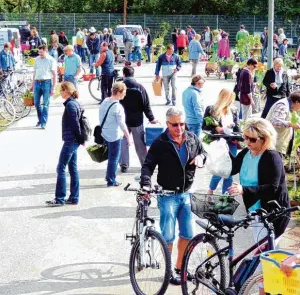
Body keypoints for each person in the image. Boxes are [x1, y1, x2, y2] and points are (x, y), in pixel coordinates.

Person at [142, 108, 206, 284]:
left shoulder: (191, 138)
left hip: (186, 194)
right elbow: (147, 166)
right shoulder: (160, 142)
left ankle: (180, 268)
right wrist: (146, 184)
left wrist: (201, 157)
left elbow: (203, 152)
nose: (179, 128)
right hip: (168, 195)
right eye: (175, 124)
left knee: (187, 233)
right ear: (167, 123)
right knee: (168, 236)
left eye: (182, 123)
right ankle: (169, 270)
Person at [227, 118, 290, 242]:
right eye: (245, 137)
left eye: (252, 139)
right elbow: (231, 168)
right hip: (255, 210)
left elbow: (272, 188)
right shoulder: (247, 152)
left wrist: (243, 189)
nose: (247, 142)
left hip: (273, 212)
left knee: (266, 253)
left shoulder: (272, 157)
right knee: (259, 248)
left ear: (265, 139)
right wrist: (220, 152)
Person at [46, 82, 84, 207]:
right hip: (74, 140)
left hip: (71, 140)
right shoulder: (73, 103)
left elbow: (75, 124)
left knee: (61, 167)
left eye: (61, 91)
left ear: (67, 91)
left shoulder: (71, 105)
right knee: (72, 168)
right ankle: (74, 197)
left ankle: (60, 198)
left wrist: (80, 138)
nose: (60, 93)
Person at [119, 66, 157, 172]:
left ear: (124, 74)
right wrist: (151, 118)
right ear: (133, 74)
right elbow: (146, 104)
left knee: (123, 142)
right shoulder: (140, 87)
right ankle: (144, 164)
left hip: (122, 120)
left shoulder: (119, 87)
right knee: (140, 144)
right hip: (137, 120)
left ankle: (124, 164)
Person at [203, 89, 240, 194]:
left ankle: (225, 195)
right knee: (220, 168)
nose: (231, 102)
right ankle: (211, 189)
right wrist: (217, 129)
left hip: (231, 142)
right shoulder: (211, 109)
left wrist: (239, 136)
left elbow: (237, 126)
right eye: (230, 99)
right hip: (218, 142)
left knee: (229, 170)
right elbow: (205, 127)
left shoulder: (233, 110)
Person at [100, 82, 132, 187]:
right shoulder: (118, 107)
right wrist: (128, 137)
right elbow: (122, 124)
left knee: (111, 157)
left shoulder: (104, 101)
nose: (125, 94)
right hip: (114, 136)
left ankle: (109, 175)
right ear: (118, 92)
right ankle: (111, 180)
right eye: (124, 92)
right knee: (114, 158)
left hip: (105, 133)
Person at [30, 45, 57, 129]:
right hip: (37, 82)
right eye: (39, 52)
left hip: (47, 83)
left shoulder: (51, 60)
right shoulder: (37, 59)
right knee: (36, 103)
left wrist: (54, 87)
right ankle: (40, 119)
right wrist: (32, 84)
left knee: (45, 104)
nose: (40, 54)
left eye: (41, 52)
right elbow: (34, 73)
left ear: (46, 51)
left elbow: (55, 75)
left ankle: (43, 122)